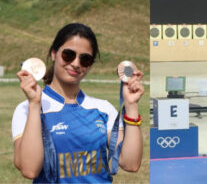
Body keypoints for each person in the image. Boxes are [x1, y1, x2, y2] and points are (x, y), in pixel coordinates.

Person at [12, 23, 144, 183]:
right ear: (54, 53)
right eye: (68, 55)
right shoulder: (26, 109)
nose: (76, 63)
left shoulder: (103, 108)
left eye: (85, 59)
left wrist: (131, 105)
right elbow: (29, 169)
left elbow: (130, 164)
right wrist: (34, 104)